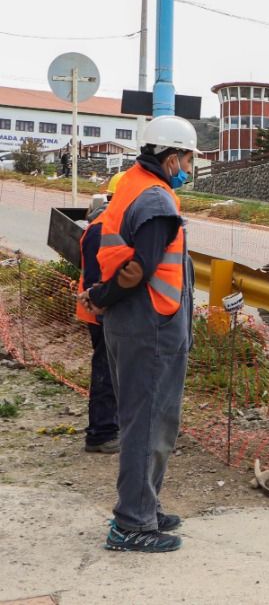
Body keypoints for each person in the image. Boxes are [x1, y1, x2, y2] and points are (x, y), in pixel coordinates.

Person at [78, 117, 199, 554]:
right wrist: (102, 295)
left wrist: (101, 298)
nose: (189, 166)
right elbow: (138, 268)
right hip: (149, 325)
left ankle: (145, 504)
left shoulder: (131, 185)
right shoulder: (156, 202)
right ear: (171, 158)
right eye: (187, 158)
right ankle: (131, 524)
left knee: (152, 419)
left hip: (137, 322)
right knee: (147, 421)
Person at [75, 173, 129, 454]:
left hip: (102, 310)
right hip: (99, 312)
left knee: (112, 370)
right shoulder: (102, 227)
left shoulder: (109, 223)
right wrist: (103, 308)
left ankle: (109, 426)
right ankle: (101, 431)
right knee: (106, 370)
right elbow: (98, 279)